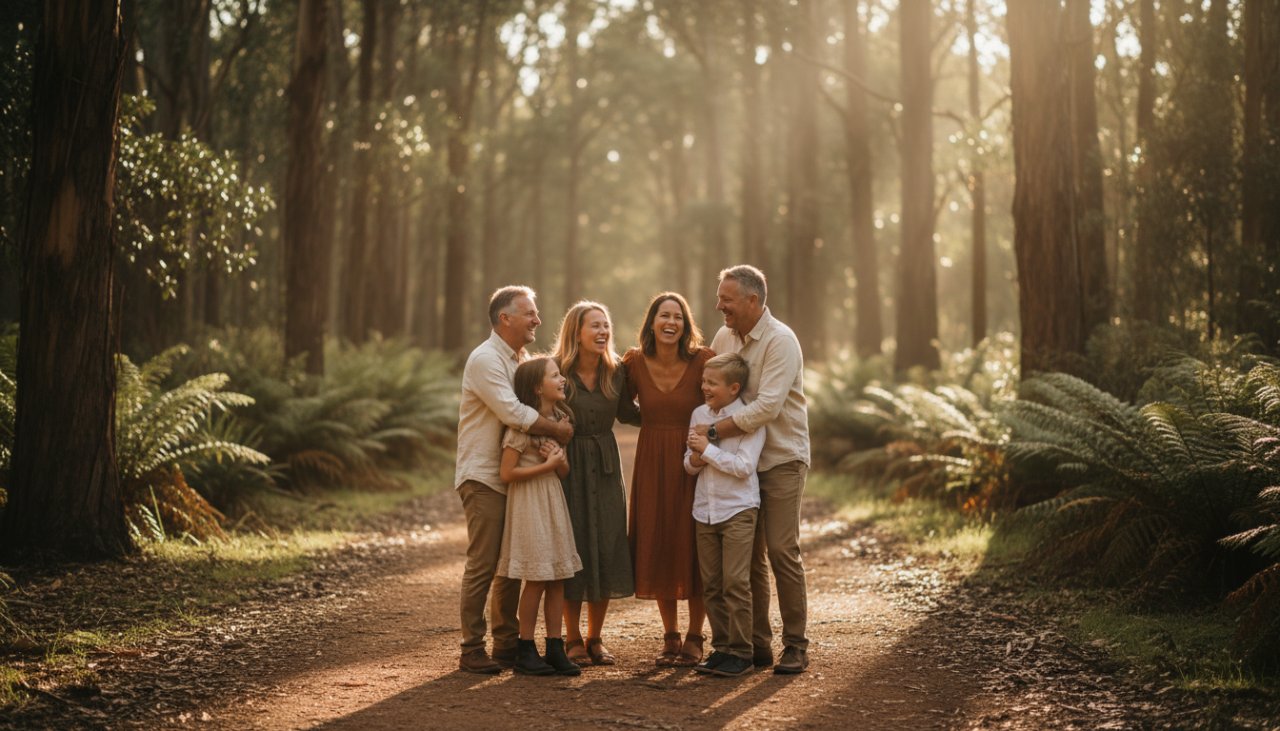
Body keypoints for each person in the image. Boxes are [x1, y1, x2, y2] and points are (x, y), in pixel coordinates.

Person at [455, 286, 574, 675]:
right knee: (484, 563)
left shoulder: (521, 359)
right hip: (486, 474)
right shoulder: (485, 360)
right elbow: (514, 413)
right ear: (505, 318)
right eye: (530, 313)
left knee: (509, 565)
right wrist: (557, 433)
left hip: (516, 479)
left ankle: (507, 644)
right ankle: (471, 647)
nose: (538, 320)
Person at [703, 265, 812, 675]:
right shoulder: (724, 337)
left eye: (726, 299)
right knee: (749, 557)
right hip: (740, 465)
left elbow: (767, 407)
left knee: (783, 550)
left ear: (753, 300)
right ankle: (757, 646)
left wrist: (713, 431)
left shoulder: (781, 341)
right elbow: (714, 386)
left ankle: (797, 646)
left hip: (781, 458)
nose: (719, 306)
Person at [622, 292, 714, 667]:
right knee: (658, 538)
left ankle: (695, 635)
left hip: (691, 460)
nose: (671, 322)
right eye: (664, 315)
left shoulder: (703, 360)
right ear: (652, 322)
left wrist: (707, 439)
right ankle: (670, 634)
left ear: (686, 324)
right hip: (651, 459)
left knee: (693, 544)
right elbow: (619, 405)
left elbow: (721, 400)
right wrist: (649, 424)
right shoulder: (633, 362)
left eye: (678, 316)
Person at [552, 301, 641, 666]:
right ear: (576, 332)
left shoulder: (616, 372)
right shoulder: (555, 370)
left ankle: (595, 637)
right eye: (595, 326)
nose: (604, 332)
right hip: (567, 467)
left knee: (605, 545)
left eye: (606, 325)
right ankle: (571, 638)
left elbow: (629, 413)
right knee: (573, 549)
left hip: (604, 466)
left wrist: (675, 415)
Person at [496, 357, 583, 676]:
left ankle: (556, 647)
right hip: (529, 502)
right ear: (536, 387)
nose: (562, 379)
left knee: (558, 576)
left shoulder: (560, 418)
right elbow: (507, 473)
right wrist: (546, 466)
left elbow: (563, 470)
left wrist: (557, 462)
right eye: (555, 375)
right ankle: (525, 648)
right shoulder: (522, 427)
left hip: (552, 500)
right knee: (536, 578)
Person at [684, 353, 766, 678]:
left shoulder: (748, 419)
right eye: (703, 381)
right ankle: (722, 648)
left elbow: (744, 467)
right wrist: (698, 458)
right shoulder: (698, 414)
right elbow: (688, 465)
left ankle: (743, 652)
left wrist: (706, 451)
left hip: (739, 509)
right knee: (712, 585)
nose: (704, 387)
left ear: (733, 387)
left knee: (736, 582)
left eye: (712, 383)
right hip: (704, 510)